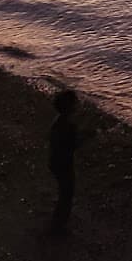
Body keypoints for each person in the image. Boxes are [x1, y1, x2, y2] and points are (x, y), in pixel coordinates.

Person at [48, 88, 80, 230]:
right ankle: (58, 225)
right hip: (64, 163)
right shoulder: (69, 126)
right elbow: (73, 145)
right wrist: (89, 137)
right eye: (75, 102)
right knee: (67, 193)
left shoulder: (57, 122)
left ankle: (58, 222)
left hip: (54, 160)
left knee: (64, 192)